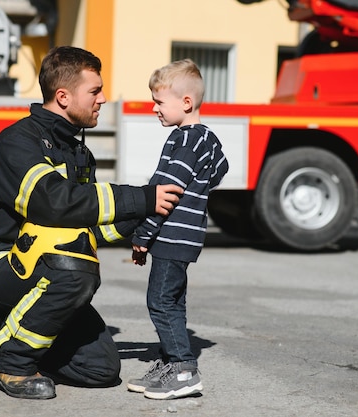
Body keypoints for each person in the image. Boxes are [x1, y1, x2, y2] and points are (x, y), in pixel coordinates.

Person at [0, 46, 183, 400]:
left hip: (45, 268)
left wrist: (146, 216)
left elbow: (90, 227)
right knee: (73, 267)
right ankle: (12, 362)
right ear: (63, 96)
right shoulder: (17, 142)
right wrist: (140, 197)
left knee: (101, 369)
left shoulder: (79, 153)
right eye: (95, 91)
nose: (103, 98)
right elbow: (51, 203)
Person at [126, 59, 228, 400]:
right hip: (187, 235)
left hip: (171, 234)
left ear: (186, 103)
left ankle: (184, 369)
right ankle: (170, 361)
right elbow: (220, 169)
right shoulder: (206, 139)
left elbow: (165, 194)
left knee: (159, 301)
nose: (154, 108)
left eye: (159, 101)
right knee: (174, 302)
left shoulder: (182, 141)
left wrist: (142, 236)